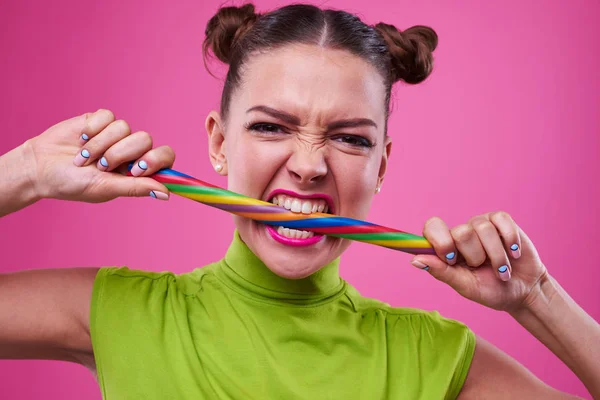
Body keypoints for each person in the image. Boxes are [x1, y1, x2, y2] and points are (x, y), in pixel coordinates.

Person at [0, 3, 598, 399]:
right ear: (218, 143)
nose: (310, 165)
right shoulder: (117, 313)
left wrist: (538, 299)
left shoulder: (432, 358)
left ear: (380, 164)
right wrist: (22, 173)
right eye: (271, 128)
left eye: (349, 138)